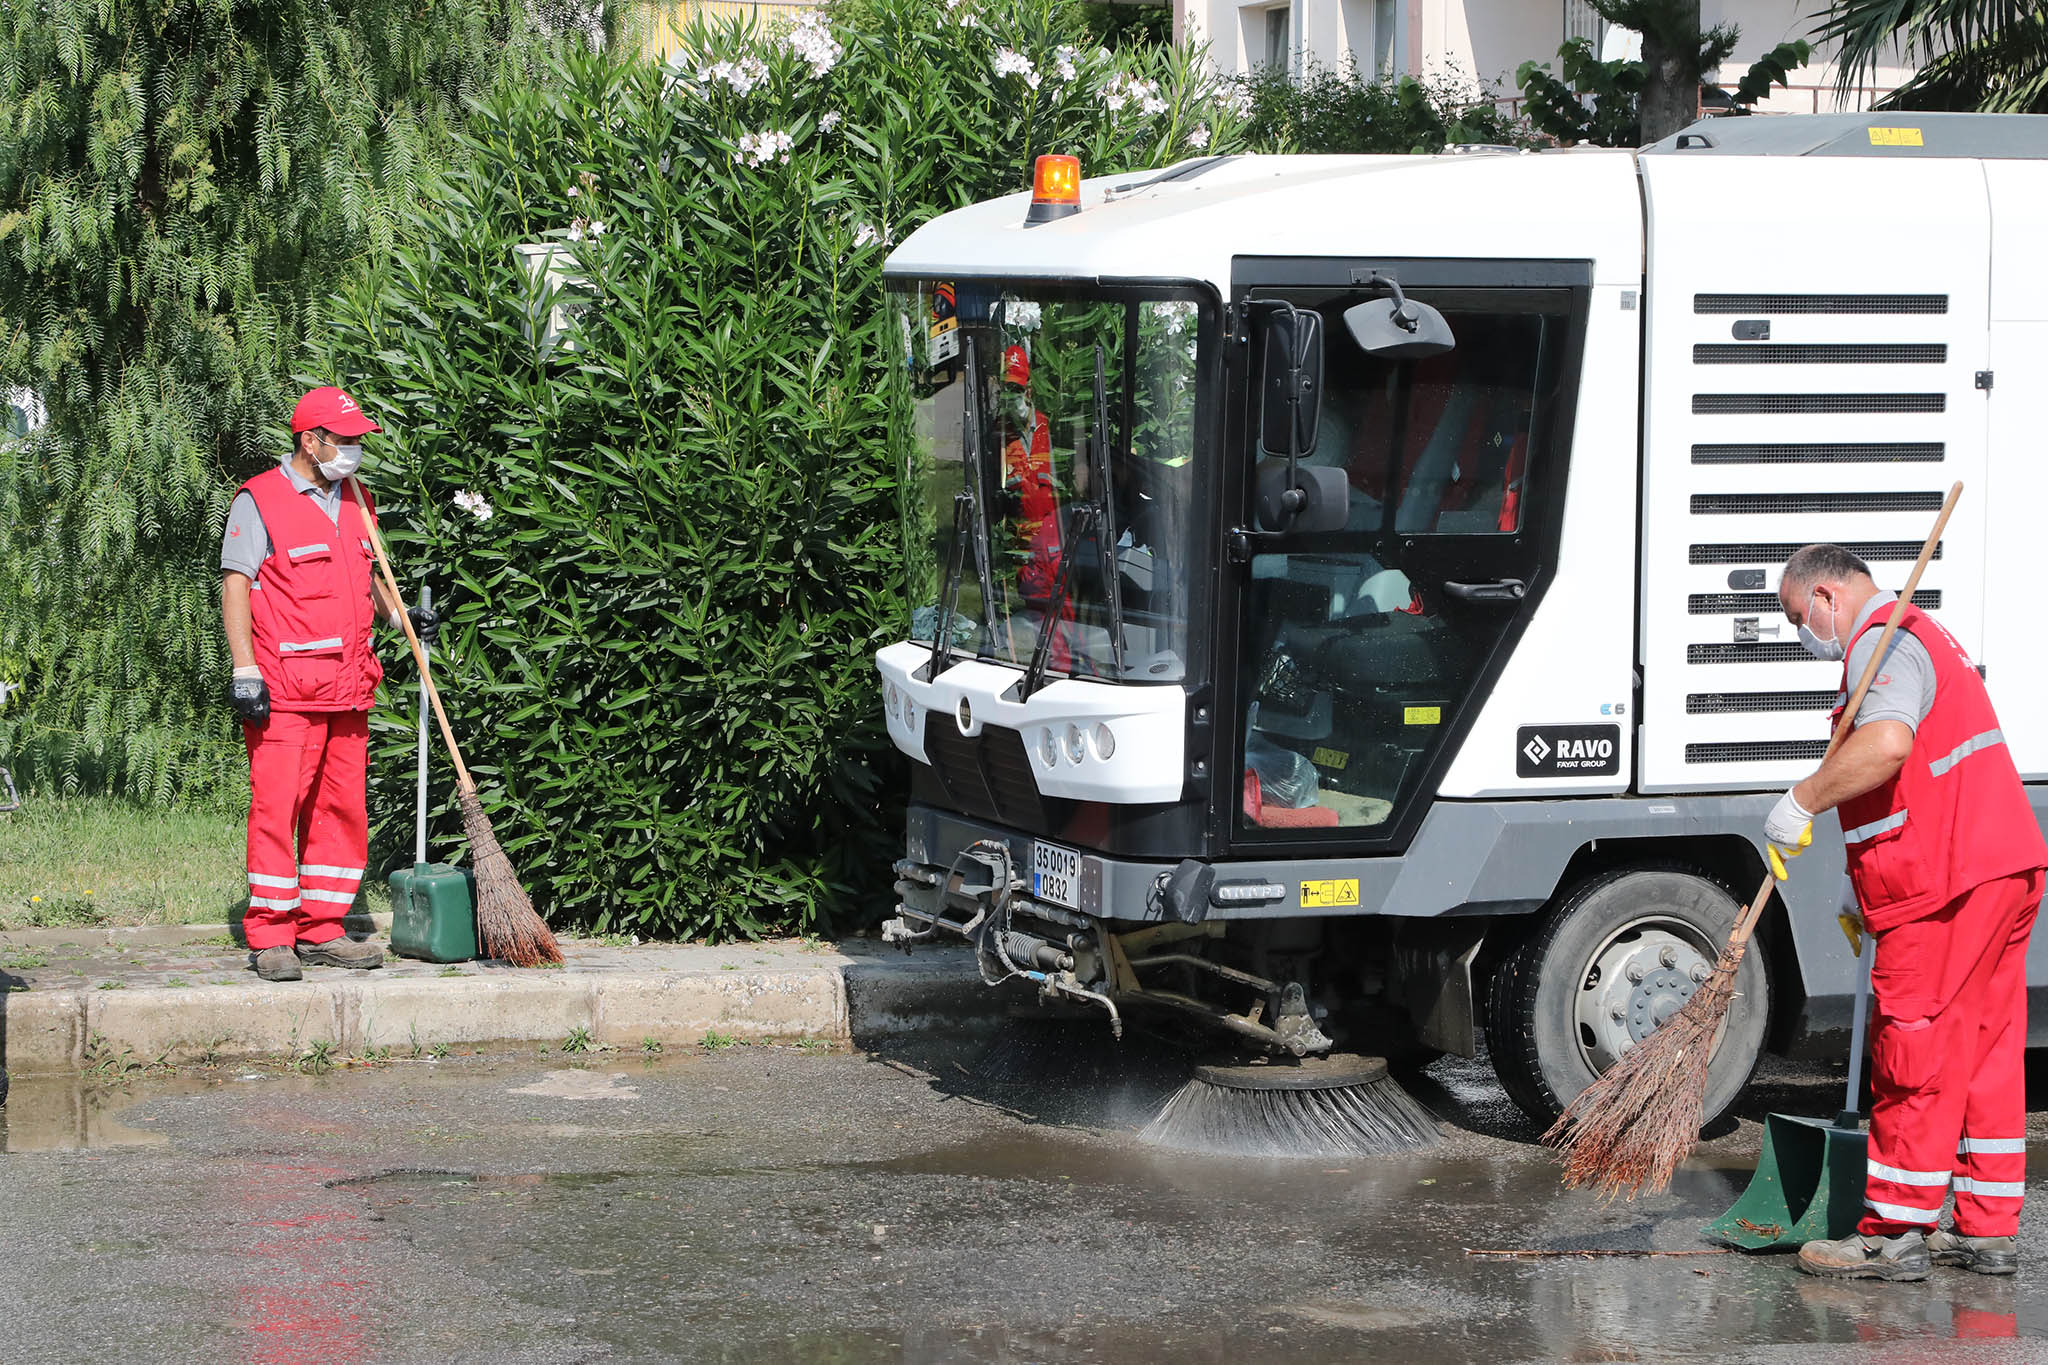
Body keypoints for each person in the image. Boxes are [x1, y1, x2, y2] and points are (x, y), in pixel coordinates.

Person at [1765, 544, 2046, 1281]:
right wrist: (1857, 881)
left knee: (1912, 1047)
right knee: (1983, 1048)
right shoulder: (1919, 633)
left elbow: (1888, 744)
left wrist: (1803, 799)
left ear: (1826, 596)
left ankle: (1892, 1230)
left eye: (1800, 618)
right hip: (2000, 865)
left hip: (1944, 880)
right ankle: (1984, 1228)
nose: (1806, 634)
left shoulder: (1879, 642)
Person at [220, 387, 438, 982]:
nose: (354, 450)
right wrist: (244, 670)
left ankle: (322, 927)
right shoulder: (258, 501)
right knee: (277, 809)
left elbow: (369, 576)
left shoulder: (357, 499)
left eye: (358, 440)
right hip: (284, 691)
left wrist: (401, 618)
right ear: (310, 440)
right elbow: (235, 585)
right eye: (344, 440)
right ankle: (271, 934)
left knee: (341, 810)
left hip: (348, 687)